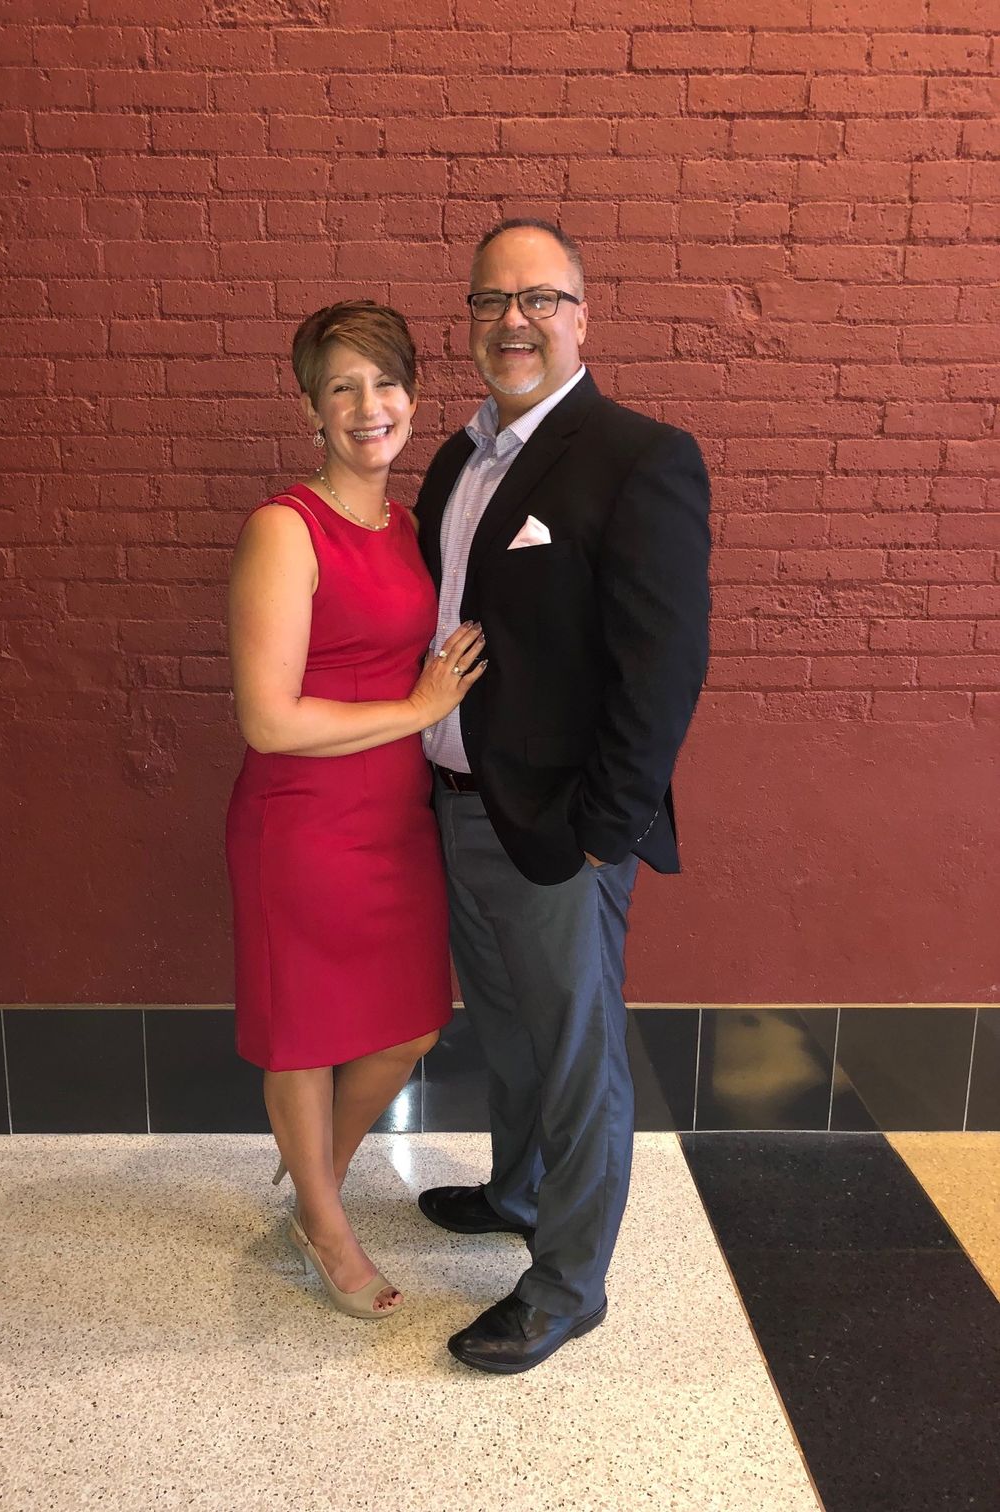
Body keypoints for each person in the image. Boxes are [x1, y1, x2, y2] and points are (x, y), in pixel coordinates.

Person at [414, 220, 711, 1373]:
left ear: (583, 317)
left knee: (579, 1053)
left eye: (540, 298)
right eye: (491, 301)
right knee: (513, 1030)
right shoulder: (457, 459)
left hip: (558, 831)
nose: (513, 322)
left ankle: (569, 1282)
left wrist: (605, 832)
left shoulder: (638, 455)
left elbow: (665, 663)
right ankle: (519, 1191)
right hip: (455, 802)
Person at [226, 301, 486, 1320]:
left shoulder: (411, 528)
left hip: (395, 818)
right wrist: (417, 706)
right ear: (310, 409)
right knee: (304, 1036)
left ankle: (314, 1185)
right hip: (302, 818)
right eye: (341, 387)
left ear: (413, 399)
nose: (366, 405)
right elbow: (268, 718)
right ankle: (328, 1226)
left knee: (413, 1024)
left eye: (383, 382)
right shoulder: (285, 529)